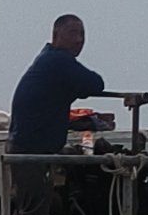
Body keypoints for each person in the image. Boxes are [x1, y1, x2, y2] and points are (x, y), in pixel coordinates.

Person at [8, 15, 108, 158]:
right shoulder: (58, 60)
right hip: (32, 151)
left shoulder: (47, 58)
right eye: (73, 33)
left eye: (82, 34)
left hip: (25, 146)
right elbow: (95, 84)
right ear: (56, 35)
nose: (79, 40)